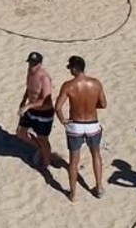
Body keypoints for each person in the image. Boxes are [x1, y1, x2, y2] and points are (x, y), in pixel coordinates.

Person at [54, 56, 107, 201]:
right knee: (96, 154)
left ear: (75, 69)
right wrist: (90, 106)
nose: (70, 70)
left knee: (74, 160)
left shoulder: (68, 85)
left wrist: (63, 121)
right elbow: (103, 104)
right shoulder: (95, 84)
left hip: (75, 125)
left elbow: (58, 107)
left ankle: (73, 194)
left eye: (70, 68)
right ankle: (99, 187)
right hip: (92, 124)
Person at [15, 52, 55, 169]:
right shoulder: (29, 72)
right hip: (31, 108)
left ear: (40, 64)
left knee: (43, 138)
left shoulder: (44, 78)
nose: (32, 66)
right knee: (20, 132)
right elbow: (29, 88)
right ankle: (40, 149)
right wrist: (23, 101)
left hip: (43, 112)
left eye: (34, 64)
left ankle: (46, 162)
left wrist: (28, 106)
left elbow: (46, 100)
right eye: (30, 63)